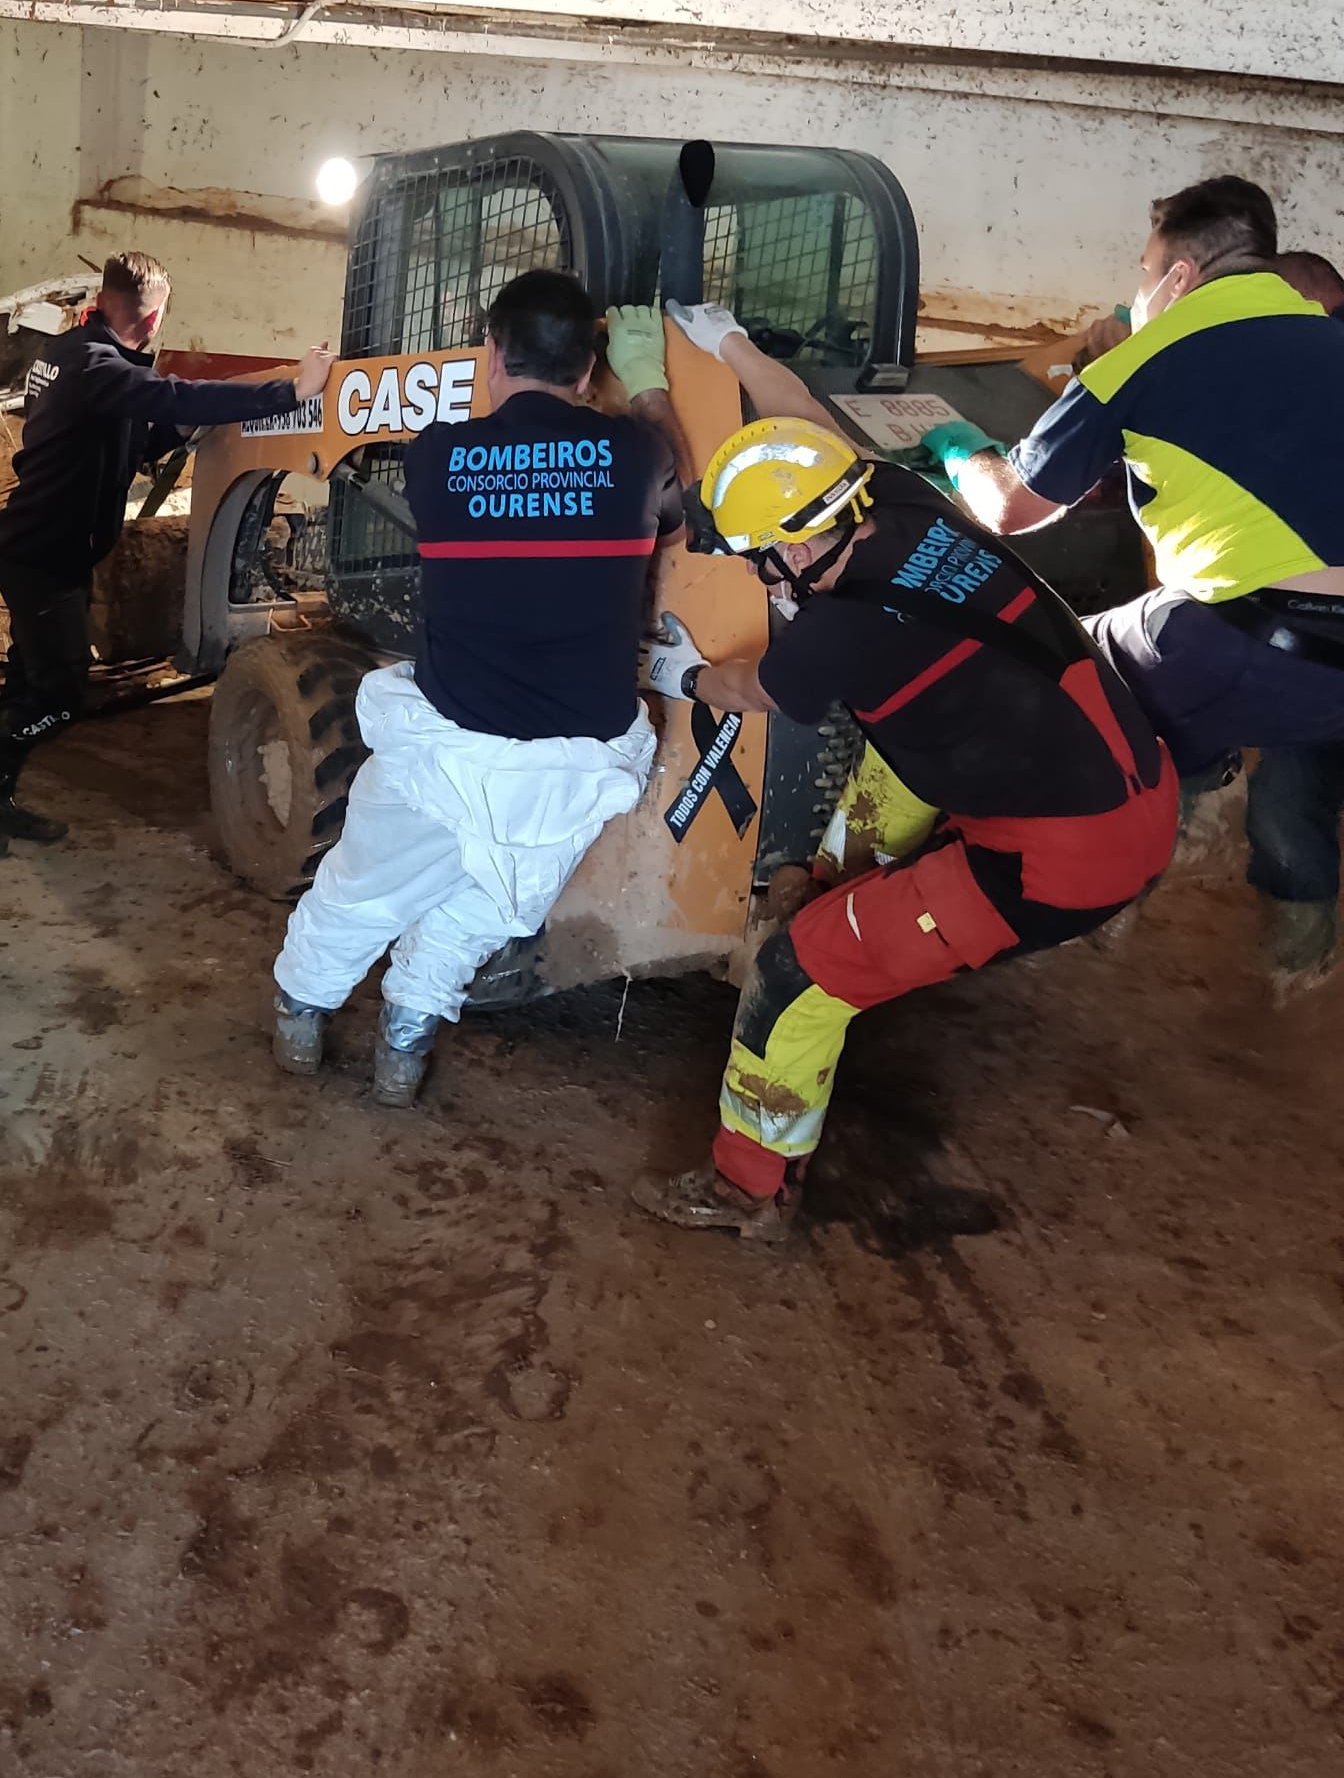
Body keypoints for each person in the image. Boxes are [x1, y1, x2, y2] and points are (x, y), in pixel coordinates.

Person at [632, 300, 1177, 1241]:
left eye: (765, 564)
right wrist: (728, 343)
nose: (764, 580)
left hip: (1059, 863)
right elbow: (795, 409)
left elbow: (751, 685)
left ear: (801, 546)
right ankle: (851, 897)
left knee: (791, 973)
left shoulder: (841, 635)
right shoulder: (891, 495)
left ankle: (746, 1187)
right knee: (887, 779)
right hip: (1124, 774)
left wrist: (675, 669)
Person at [919, 179, 1344, 997]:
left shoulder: (1150, 354)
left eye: (1145, 270)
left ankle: (1084, 910)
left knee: (1058, 663)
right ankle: (1299, 956)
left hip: (1253, 643)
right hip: (1324, 675)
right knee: (1259, 752)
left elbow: (1011, 508)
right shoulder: (1328, 336)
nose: (1140, 289)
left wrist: (960, 451)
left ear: (1178, 276)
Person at [268, 274, 686, 1104]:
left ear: (494, 355)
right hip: (575, 767)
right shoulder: (638, 454)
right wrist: (648, 387)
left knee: (359, 891)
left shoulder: (437, 455)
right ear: (590, 367)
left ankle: (299, 1024)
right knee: (481, 911)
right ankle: (401, 1060)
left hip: (450, 750)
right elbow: (676, 496)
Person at [0, 252, 333, 856]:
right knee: (59, 698)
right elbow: (172, 396)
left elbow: (120, 433)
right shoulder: (94, 366)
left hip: (45, 549)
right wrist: (292, 390)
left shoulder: (65, 356)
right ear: (155, 314)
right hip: (43, 557)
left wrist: (177, 434)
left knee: (32, 684)